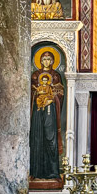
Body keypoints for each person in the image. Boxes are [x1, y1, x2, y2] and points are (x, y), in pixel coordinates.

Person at [30, 51, 64, 180]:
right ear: (40, 61)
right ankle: (35, 172)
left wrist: (51, 98)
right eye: (44, 59)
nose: (46, 61)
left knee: (51, 139)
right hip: (38, 112)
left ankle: (53, 172)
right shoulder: (35, 75)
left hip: (50, 111)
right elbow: (31, 93)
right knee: (37, 138)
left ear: (53, 61)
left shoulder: (56, 76)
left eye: (49, 59)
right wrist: (38, 96)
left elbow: (60, 93)